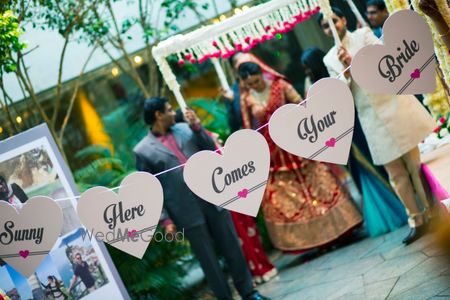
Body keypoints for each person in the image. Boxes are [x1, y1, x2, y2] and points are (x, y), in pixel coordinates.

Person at [319, 7, 438, 245]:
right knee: (396, 175)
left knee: (414, 165)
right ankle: (416, 221)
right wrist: (346, 71)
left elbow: (385, 61)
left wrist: (355, 61)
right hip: (370, 118)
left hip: (393, 103)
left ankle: (432, 213)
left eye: (334, 20)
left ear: (343, 20)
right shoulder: (329, 57)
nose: (331, 26)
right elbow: (340, 91)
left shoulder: (363, 36)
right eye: (325, 25)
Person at [133, 97, 269, 300]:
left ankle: (249, 293)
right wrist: (166, 219)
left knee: (232, 247)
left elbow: (210, 148)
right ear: (158, 115)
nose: (174, 112)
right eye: (169, 110)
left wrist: (197, 127)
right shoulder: (143, 150)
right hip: (184, 210)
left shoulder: (185, 129)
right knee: (209, 261)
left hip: (212, 196)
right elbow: (150, 189)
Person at [236, 54, 363, 251]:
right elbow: (248, 128)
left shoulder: (280, 85)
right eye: (250, 84)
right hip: (273, 154)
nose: (255, 85)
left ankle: (340, 229)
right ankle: (312, 240)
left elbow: (302, 105)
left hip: (296, 141)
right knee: (286, 197)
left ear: (262, 74)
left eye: (257, 80)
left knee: (319, 184)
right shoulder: (247, 99)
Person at [301, 47, 408, 237]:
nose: (307, 71)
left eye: (308, 67)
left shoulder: (334, 74)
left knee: (373, 162)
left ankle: (402, 203)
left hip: (354, 126)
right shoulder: (311, 85)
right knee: (359, 171)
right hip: (337, 135)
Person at [175, 108, 277, 284]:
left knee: (249, 230)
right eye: (187, 118)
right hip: (220, 194)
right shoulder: (185, 144)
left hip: (234, 185)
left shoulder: (202, 134)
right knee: (237, 237)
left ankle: (262, 265)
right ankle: (252, 273)